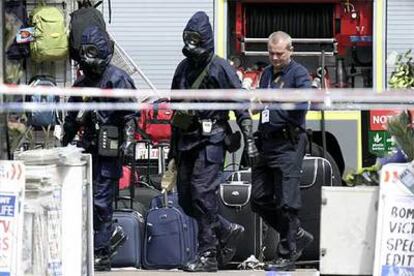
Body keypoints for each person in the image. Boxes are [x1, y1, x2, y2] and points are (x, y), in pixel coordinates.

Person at [167, 11, 260, 272]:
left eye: (195, 39)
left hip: (212, 141)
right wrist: (173, 151)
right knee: (186, 199)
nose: (190, 45)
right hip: (187, 140)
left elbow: (241, 104)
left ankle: (207, 253)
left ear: (206, 40)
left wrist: (249, 138)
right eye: (187, 39)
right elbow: (176, 110)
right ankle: (226, 229)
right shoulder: (183, 69)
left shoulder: (221, 68)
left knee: (202, 194)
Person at [62, 26, 136, 271]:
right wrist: (64, 142)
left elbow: (129, 115)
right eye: (85, 53)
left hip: (108, 150)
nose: (87, 59)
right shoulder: (82, 83)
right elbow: (72, 117)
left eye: (92, 52)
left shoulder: (117, 79)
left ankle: (101, 253)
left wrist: (129, 141)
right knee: (84, 201)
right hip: (86, 150)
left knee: (101, 202)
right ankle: (98, 243)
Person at [251, 31, 314, 271]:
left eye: (279, 53)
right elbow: (259, 105)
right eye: (271, 53)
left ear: (290, 50)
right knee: (258, 199)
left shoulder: (298, 74)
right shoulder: (266, 73)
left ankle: (287, 254)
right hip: (266, 143)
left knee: (287, 202)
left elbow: (303, 102)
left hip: (288, 144)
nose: (275, 58)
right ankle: (295, 235)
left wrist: (274, 99)